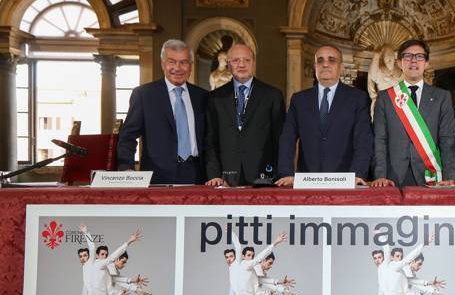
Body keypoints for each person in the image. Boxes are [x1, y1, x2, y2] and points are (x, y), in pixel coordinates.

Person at [275, 45, 373, 186]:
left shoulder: (357, 98)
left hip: (345, 183)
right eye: (320, 61)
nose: (325, 64)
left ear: (342, 67)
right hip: (307, 182)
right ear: (315, 67)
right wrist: (286, 173)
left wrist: (358, 174)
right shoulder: (299, 99)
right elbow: (287, 139)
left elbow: (364, 140)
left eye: (331, 60)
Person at [117, 39, 207, 184]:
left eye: (183, 62)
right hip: (157, 176)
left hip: (198, 176)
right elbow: (128, 136)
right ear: (162, 64)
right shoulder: (144, 95)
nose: (178, 68)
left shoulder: (203, 96)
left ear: (190, 66)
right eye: (172, 62)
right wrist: (126, 167)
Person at [371, 39, 455, 187]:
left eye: (419, 56)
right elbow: (380, 140)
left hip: (431, 174)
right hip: (393, 177)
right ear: (399, 63)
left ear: (427, 63)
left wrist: (450, 176)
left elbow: (447, 140)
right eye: (407, 56)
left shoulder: (442, 97)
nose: (413, 61)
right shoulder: (385, 97)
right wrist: (380, 175)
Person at [205, 44, 286, 186]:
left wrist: (281, 173)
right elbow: (210, 139)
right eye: (236, 60)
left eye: (247, 60)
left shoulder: (272, 96)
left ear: (254, 63)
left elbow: (280, 138)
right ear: (228, 64)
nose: (241, 64)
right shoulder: (214, 98)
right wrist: (214, 174)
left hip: (264, 176)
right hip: (226, 178)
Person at [368, 44, 402, 117]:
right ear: (383, 58)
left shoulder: (401, 73)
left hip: (398, 104)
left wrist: (394, 82)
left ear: (394, 57)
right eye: (387, 56)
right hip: (382, 103)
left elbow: (405, 89)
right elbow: (372, 75)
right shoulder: (379, 71)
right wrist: (376, 57)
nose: (389, 59)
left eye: (391, 56)